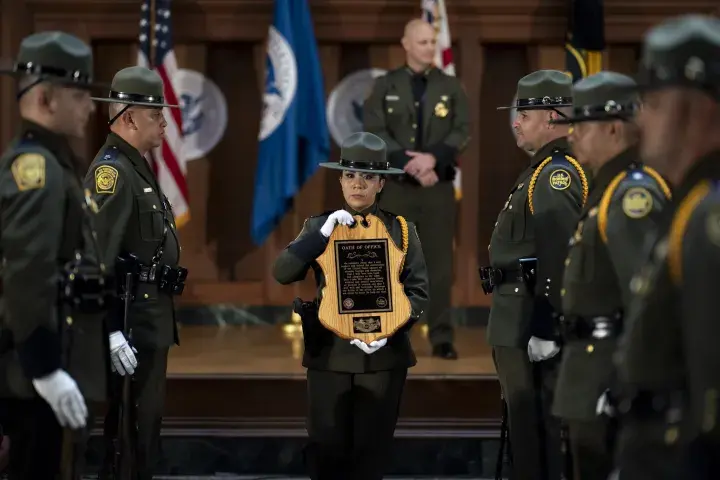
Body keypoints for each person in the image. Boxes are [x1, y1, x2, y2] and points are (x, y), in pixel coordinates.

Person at [273, 132, 429, 480]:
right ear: (340, 180)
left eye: (367, 177)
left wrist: (389, 332)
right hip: (331, 356)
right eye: (349, 175)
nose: (357, 184)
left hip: (383, 360)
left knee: (370, 458)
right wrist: (321, 236)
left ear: (380, 184)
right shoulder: (318, 226)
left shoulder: (402, 230)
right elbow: (282, 273)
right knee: (326, 455)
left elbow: (419, 293)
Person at [548, 71, 672, 480]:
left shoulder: (631, 198)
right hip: (588, 376)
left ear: (614, 128)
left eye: (581, 126)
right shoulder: (608, 190)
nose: (571, 136)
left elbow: (647, 305)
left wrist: (626, 385)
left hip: (607, 381)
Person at [0, 31, 113, 479]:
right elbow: (28, 273)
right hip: (31, 375)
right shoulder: (39, 171)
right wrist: (45, 369)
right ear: (46, 99)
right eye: (81, 94)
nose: (90, 106)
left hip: (46, 362)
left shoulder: (55, 162)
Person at [613, 14, 720, 479]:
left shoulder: (709, 217)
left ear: (698, 111)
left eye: (653, 103)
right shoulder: (688, 203)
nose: (639, 118)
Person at [481, 69, 590, 480]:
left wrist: (545, 324)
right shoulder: (538, 171)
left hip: (528, 316)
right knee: (526, 430)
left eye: (524, 115)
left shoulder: (553, 175)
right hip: (516, 315)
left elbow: (558, 251)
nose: (516, 122)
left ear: (550, 118)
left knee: (535, 431)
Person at [85, 66, 187, 480]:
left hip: (148, 319)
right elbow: (97, 258)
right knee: (130, 432)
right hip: (129, 322)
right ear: (127, 117)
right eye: (156, 115)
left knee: (145, 429)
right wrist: (111, 329)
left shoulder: (136, 167)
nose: (165, 123)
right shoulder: (112, 174)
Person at [363, 18, 469, 359]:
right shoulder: (385, 85)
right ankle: (390, 334)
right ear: (406, 44)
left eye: (432, 42)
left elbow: (462, 130)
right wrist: (407, 162)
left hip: (436, 187)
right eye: (422, 42)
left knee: (438, 265)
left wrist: (432, 160)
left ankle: (440, 336)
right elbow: (374, 128)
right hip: (396, 187)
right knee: (391, 262)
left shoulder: (451, 86)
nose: (429, 48)